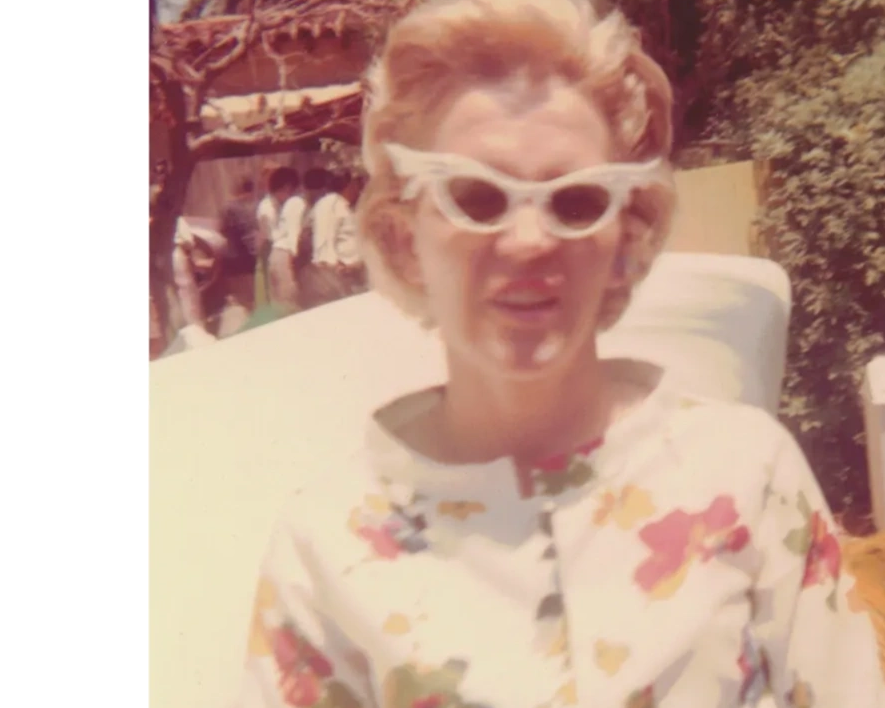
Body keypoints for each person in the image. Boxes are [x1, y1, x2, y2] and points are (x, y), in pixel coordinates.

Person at [236, 1, 884, 707]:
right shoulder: (325, 550)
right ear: (402, 238)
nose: (528, 241)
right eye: (476, 196)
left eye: (576, 202)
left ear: (625, 238)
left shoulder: (748, 477)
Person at [298, 171, 367, 309]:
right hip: (336, 276)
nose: (360, 189)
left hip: (351, 275)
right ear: (351, 184)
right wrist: (334, 269)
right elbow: (324, 241)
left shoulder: (344, 206)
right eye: (358, 184)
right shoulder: (330, 203)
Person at [266, 167, 308, 313]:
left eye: (277, 192)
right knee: (289, 302)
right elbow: (293, 233)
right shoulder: (296, 202)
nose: (277, 197)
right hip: (285, 255)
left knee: (279, 304)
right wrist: (293, 260)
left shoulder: (289, 204)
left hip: (276, 254)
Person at [256, 166, 299, 307]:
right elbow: (274, 237)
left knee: (283, 299)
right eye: (292, 191)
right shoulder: (267, 209)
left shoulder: (277, 205)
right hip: (277, 254)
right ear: (287, 187)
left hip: (278, 254)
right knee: (286, 299)